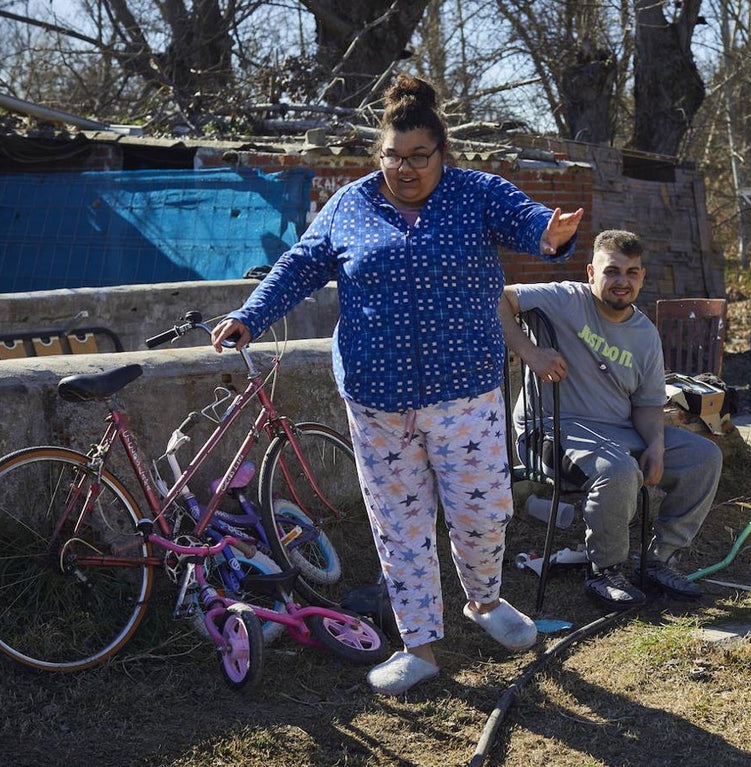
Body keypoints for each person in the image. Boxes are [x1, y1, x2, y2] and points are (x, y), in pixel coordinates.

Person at [210, 74, 583, 696]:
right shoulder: (350, 205)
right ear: (377, 155)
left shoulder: (476, 194)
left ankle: (485, 602)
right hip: (377, 403)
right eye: (393, 156)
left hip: (464, 395)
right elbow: (300, 265)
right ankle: (420, 647)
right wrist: (249, 315)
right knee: (400, 527)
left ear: (442, 154)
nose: (405, 168)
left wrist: (551, 231)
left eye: (418, 156)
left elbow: (527, 223)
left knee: (485, 514)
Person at [498, 229, 722, 608]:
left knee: (704, 458)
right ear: (591, 273)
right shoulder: (565, 298)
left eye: (631, 272)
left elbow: (648, 404)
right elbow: (498, 299)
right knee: (618, 470)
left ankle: (658, 561)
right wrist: (530, 354)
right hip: (550, 429)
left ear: (642, 277)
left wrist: (655, 445)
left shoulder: (644, 335)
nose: (622, 281)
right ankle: (605, 571)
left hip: (619, 431)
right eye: (612, 271)